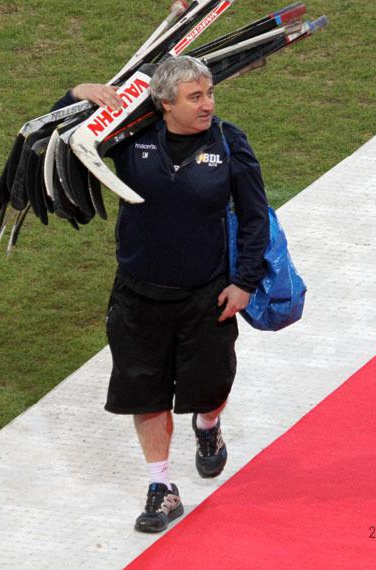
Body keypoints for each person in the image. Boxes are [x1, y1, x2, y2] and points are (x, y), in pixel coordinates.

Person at [53, 56, 269, 533]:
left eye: (210, 93)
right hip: (138, 295)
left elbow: (255, 217)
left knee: (212, 389)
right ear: (164, 102)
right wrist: (76, 94)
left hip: (207, 297)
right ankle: (161, 487)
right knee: (146, 394)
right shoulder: (129, 136)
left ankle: (208, 427)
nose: (208, 103)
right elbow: (60, 140)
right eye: (196, 97)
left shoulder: (230, 144)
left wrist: (245, 283)